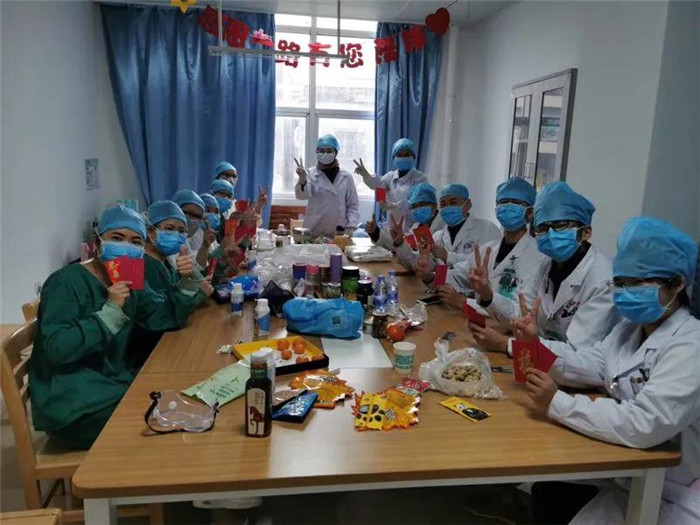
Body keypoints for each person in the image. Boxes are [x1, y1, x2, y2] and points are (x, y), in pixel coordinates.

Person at [524, 217, 700, 524]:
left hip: (675, 488)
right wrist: (534, 348)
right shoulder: (628, 330)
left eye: (639, 283)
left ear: (678, 283)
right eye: (621, 282)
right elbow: (590, 364)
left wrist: (557, 403)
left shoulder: (691, 346)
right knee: (547, 487)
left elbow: (645, 423)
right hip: (628, 463)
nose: (626, 292)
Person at [28, 206, 200, 450]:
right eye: (117, 238)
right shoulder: (64, 282)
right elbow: (57, 349)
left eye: (135, 242)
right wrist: (109, 313)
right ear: (98, 242)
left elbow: (161, 316)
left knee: (181, 398)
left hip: (114, 384)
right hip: (74, 403)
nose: (126, 247)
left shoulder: (127, 277)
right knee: (163, 424)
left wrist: (187, 280)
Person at [474, 181, 619, 357]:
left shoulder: (602, 280)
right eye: (543, 228)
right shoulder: (548, 264)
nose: (550, 234)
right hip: (539, 362)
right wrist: (488, 295)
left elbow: (579, 352)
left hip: (575, 371)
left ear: (586, 232)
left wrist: (507, 345)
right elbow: (522, 312)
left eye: (560, 225)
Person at [417, 178, 546, 317]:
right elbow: (459, 276)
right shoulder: (487, 250)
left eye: (515, 202)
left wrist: (468, 302)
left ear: (531, 212)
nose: (507, 207)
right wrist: (430, 276)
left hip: (503, 329)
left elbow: (523, 313)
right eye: (503, 202)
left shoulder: (538, 256)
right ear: (496, 209)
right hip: (475, 322)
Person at [130, 200, 214, 368]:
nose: (176, 235)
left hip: (169, 338)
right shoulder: (143, 266)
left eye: (181, 231)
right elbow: (166, 314)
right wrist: (198, 294)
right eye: (169, 229)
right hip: (152, 350)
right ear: (150, 232)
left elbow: (189, 288)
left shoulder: (165, 262)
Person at [354, 138, 428, 231]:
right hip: (392, 226)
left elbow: (419, 204)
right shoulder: (390, 176)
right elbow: (377, 185)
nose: (403, 158)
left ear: (413, 156)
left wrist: (395, 206)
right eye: (399, 155)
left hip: (412, 227)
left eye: (406, 155)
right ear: (394, 158)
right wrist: (366, 175)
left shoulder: (420, 178)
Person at [365, 182, 442, 271]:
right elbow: (401, 245)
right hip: (419, 274)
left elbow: (436, 264)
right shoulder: (417, 226)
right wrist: (375, 232)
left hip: (435, 277)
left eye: (422, 204)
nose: (418, 209)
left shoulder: (442, 228)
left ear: (434, 205)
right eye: (414, 206)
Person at [294, 134, 359, 237]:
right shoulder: (309, 174)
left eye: (329, 151)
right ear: (316, 152)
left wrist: (351, 225)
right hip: (314, 230)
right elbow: (301, 196)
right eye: (321, 151)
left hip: (339, 231)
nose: (325, 154)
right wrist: (302, 179)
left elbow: (352, 205)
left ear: (336, 153)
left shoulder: (346, 177)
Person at [430, 183, 501, 267]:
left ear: (468, 204)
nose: (448, 207)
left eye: (453, 202)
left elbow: (487, 262)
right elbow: (431, 263)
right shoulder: (437, 237)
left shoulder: (487, 229)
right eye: (443, 204)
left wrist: (448, 256)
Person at [172, 189, 206, 255]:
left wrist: (205, 247)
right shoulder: (164, 239)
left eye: (197, 217)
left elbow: (192, 259)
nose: (192, 220)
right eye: (188, 213)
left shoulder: (184, 239)